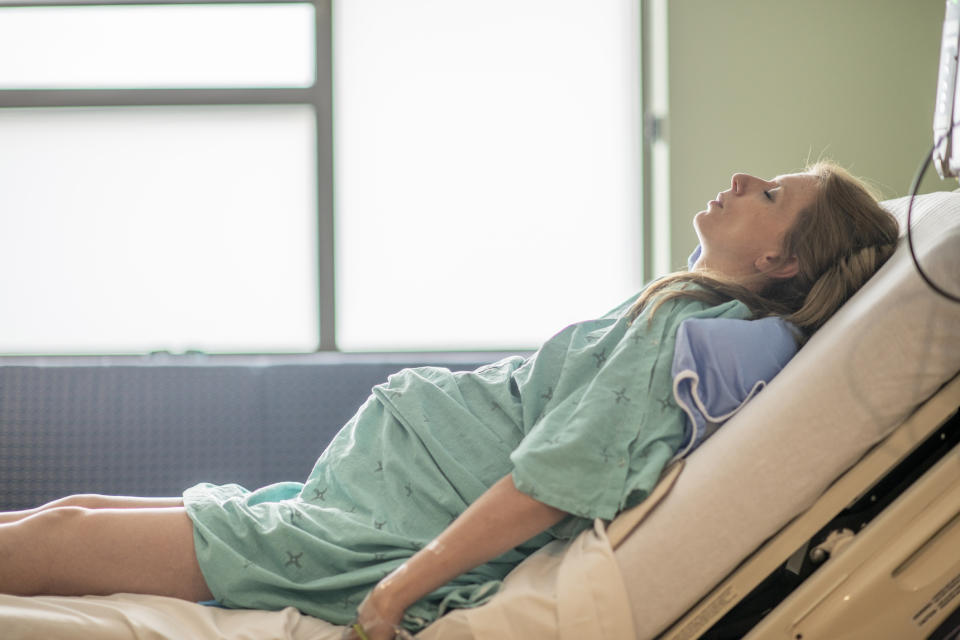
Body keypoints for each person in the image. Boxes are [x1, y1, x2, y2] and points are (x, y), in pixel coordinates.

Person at [0, 161, 899, 640]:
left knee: (57, 540)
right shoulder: (671, 313)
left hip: (358, 546)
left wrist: (397, 590)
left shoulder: (686, 334)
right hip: (342, 507)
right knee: (69, 512)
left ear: (783, 260)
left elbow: (556, 478)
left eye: (773, 193)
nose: (743, 178)